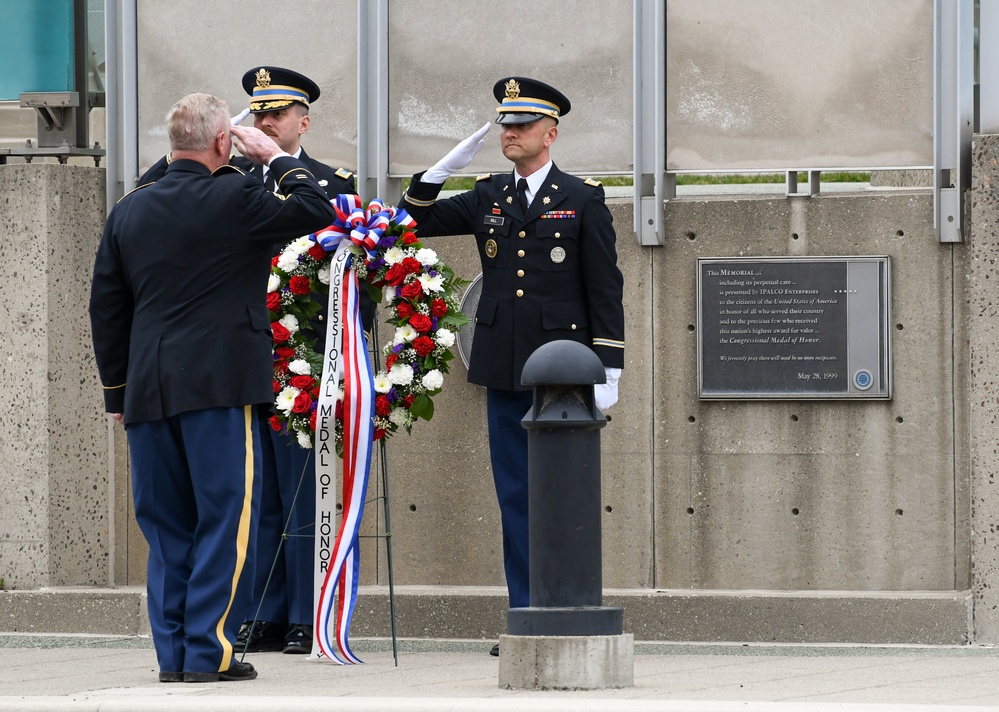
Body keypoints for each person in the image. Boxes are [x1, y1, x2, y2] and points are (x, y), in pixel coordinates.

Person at [88, 92, 338, 682]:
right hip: (218, 389)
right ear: (226, 142)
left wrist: (117, 394)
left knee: (167, 525)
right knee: (224, 519)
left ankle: (172, 658)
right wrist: (274, 156)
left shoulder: (130, 209)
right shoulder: (238, 195)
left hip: (147, 390)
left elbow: (106, 307)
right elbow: (317, 207)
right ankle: (209, 653)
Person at [399, 77, 625, 656]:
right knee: (516, 493)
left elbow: (604, 291)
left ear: (550, 133)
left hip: (564, 372)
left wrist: (610, 370)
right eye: (505, 124)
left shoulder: (583, 197)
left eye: (522, 125)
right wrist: (436, 173)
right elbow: (409, 221)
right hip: (504, 370)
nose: (510, 133)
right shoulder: (487, 195)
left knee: (563, 492)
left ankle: (564, 604)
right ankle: (527, 609)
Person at [232, 66, 372, 656]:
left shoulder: (328, 183)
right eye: (257, 112)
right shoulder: (228, 178)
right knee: (254, 488)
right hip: (242, 350)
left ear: (303, 121)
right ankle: (257, 612)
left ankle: (301, 611)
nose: (265, 121)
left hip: (308, 354)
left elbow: (356, 274)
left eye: (277, 113)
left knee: (303, 487)